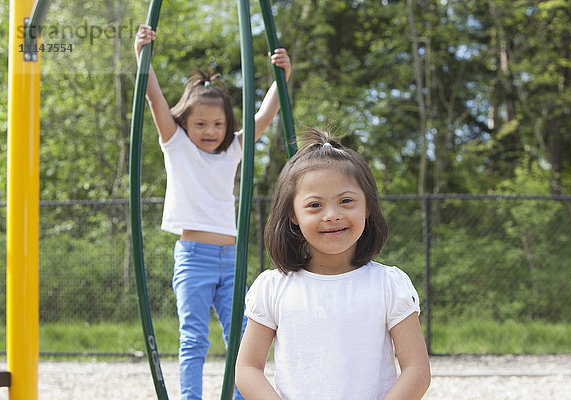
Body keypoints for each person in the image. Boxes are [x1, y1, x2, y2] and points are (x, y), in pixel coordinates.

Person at [134, 24, 291, 400]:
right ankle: (190, 398)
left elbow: (267, 114)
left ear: (228, 126)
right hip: (194, 258)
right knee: (193, 336)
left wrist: (282, 75)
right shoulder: (176, 146)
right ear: (184, 122)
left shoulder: (234, 149)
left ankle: (239, 395)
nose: (210, 131)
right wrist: (143, 55)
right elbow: (155, 101)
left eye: (218, 124)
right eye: (201, 123)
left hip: (231, 258)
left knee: (241, 333)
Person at [235, 128, 431, 400]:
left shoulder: (389, 284)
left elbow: (417, 370)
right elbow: (247, 368)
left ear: (368, 206)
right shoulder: (273, 287)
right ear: (293, 214)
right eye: (315, 205)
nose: (332, 215)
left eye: (346, 201)